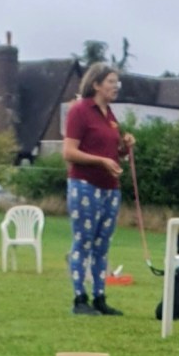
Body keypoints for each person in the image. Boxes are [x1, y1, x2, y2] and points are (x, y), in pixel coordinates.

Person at [62, 63, 135, 316]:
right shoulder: (79, 111)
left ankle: (100, 297)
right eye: (111, 82)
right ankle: (79, 298)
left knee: (102, 245)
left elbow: (113, 154)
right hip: (84, 185)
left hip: (110, 188)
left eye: (117, 83)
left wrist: (125, 147)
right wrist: (100, 161)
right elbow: (69, 152)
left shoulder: (110, 115)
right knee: (83, 241)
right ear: (96, 84)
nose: (116, 87)